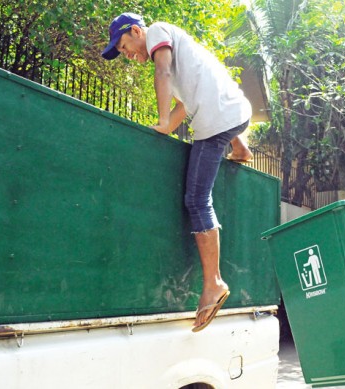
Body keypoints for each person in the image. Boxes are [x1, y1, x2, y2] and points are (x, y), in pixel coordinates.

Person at [101, 12, 254, 332]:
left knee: (197, 200)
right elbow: (187, 103)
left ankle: (213, 282)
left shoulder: (157, 32)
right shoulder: (184, 49)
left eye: (124, 45)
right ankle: (241, 148)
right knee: (212, 123)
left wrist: (159, 116)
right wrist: (165, 126)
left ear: (135, 31)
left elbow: (163, 71)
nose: (127, 54)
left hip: (218, 125)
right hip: (237, 113)